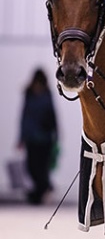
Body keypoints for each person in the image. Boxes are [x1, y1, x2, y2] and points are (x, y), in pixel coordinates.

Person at [18, 68, 59, 205]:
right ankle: (43, 190)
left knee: (42, 167)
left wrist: (56, 135)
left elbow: (53, 115)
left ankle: (40, 192)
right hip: (32, 137)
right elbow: (24, 117)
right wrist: (22, 138)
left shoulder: (47, 95)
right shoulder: (29, 94)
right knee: (31, 167)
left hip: (45, 138)